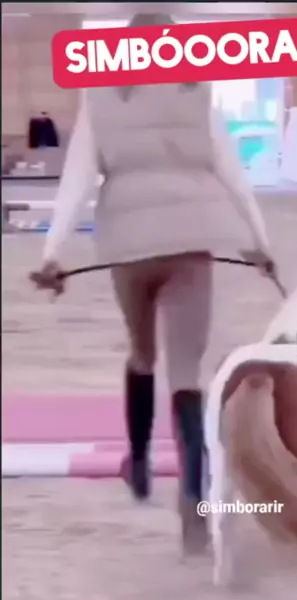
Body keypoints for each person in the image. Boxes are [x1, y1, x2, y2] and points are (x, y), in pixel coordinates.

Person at [31, 12, 277, 555]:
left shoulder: (100, 97)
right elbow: (233, 176)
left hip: (129, 243)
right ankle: (194, 499)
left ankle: (139, 460)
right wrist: (260, 245)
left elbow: (77, 182)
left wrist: (52, 255)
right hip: (192, 237)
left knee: (142, 352)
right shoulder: (198, 94)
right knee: (187, 372)